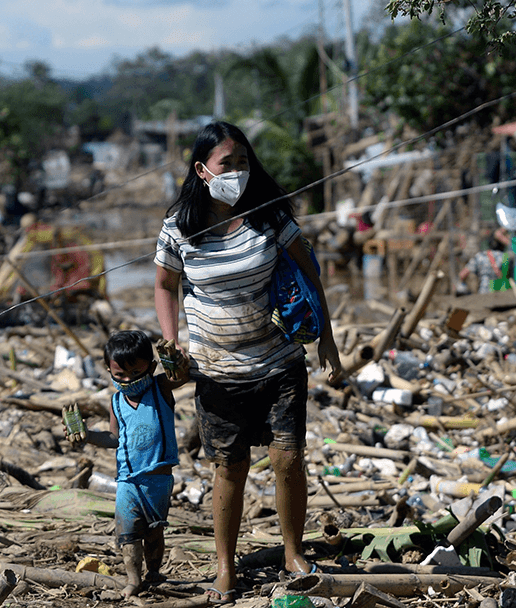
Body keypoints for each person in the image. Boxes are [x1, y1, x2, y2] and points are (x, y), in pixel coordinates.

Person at [154, 121, 342, 603]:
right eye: (226, 165)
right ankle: (224, 565)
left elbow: (309, 271)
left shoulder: (269, 215)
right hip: (217, 370)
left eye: (242, 163)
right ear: (202, 171)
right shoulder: (180, 227)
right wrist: (171, 340)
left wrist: (327, 340)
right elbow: (164, 286)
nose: (236, 172)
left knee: (288, 458)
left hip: (278, 358)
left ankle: (293, 552)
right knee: (230, 467)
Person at [64, 330, 185, 598]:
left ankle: (154, 573)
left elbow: (182, 376)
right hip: (128, 480)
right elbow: (113, 438)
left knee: (154, 532)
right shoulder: (116, 402)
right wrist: (87, 435)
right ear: (109, 370)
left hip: (158, 478)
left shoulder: (159, 388)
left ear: (151, 367)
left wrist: (175, 361)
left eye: (136, 372)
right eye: (120, 376)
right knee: (128, 533)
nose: (128, 380)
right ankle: (133, 579)